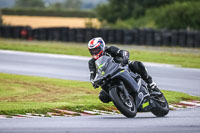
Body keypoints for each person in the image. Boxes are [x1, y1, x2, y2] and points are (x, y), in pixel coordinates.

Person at [88, 37, 157, 103]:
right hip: (108, 76)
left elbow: (124, 52)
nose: (94, 52)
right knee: (102, 96)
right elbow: (92, 74)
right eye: (92, 51)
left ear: (101, 47)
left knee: (137, 64)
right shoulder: (91, 62)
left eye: (96, 50)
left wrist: (125, 58)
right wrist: (94, 82)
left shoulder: (110, 49)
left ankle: (150, 83)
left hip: (122, 67)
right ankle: (121, 100)